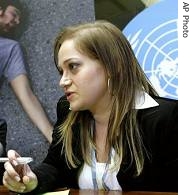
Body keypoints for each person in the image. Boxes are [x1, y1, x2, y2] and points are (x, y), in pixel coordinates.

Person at [2, 20, 178, 193]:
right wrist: (31, 180)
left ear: (113, 66)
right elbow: (55, 166)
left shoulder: (168, 117)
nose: (63, 81)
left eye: (73, 66)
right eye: (61, 71)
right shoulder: (67, 110)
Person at [0, 0, 53, 144]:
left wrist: (53, 138)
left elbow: (26, 95)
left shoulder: (10, 49)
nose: (17, 21)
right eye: (15, 14)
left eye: (19, 20)